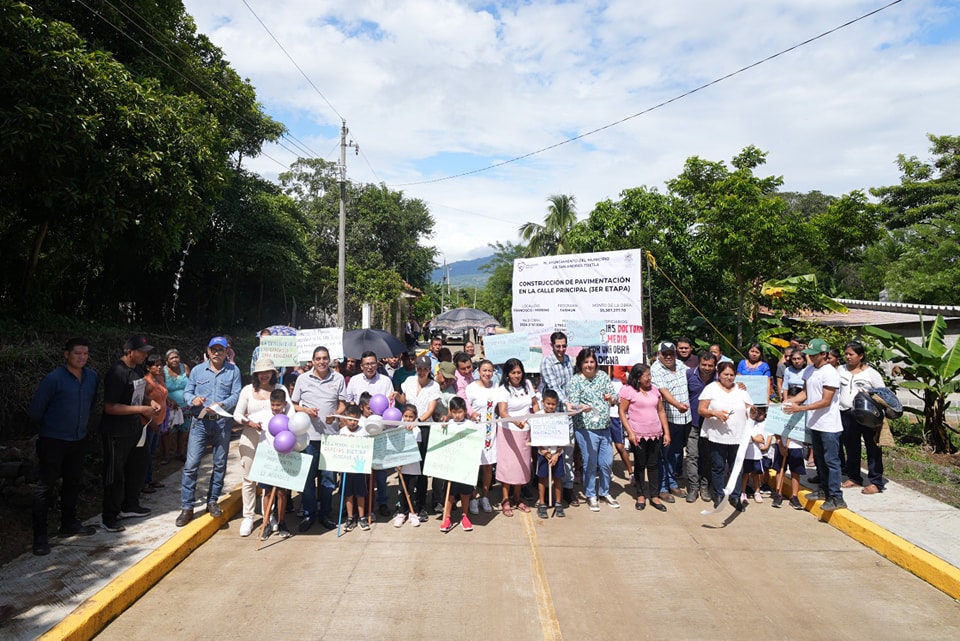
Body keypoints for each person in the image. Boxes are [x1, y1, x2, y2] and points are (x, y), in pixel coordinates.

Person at [28, 338, 100, 555]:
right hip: (53, 440)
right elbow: (35, 411)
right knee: (45, 486)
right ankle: (40, 537)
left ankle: (68, 524)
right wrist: (53, 426)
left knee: (72, 482)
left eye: (85, 353)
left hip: (78, 439)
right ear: (66, 354)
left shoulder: (91, 377)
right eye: (77, 353)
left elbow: (91, 403)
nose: (82, 357)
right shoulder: (54, 379)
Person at [176, 336, 242, 527]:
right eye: (214, 349)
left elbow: (236, 394)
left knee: (220, 464)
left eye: (221, 350)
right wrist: (193, 400)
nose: (216, 353)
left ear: (226, 352)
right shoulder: (197, 370)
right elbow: (187, 392)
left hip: (222, 423)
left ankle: (212, 501)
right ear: (208, 351)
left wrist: (223, 404)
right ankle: (187, 507)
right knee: (191, 464)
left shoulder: (233, 371)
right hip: (200, 423)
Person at [101, 334, 159, 533]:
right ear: (129, 352)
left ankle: (130, 505)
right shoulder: (117, 373)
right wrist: (141, 410)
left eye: (146, 352)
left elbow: (137, 393)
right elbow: (110, 407)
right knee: (115, 474)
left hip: (135, 429)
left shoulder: (136, 370)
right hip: (117, 432)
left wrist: (148, 402)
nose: (145, 356)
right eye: (141, 352)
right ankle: (109, 516)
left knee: (138, 466)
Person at [785, 338, 846, 511]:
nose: (810, 358)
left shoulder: (830, 373)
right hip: (815, 423)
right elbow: (805, 392)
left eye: (814, 355)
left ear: (823, 354)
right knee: (819, 459)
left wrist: (801, 408)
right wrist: (789, 403)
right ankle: (823, 490)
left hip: (828, 425)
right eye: (808, 355)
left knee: (831, 461)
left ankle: (836, 496)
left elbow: (826, 401)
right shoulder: (809, 370)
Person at [291, 346, 347, 532]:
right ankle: (309, 514)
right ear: (313, 361)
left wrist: (336, 414)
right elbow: (294, 404)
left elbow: (342, 404)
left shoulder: (338, 378)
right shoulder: (302, 379)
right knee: (307, 479)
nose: (322, 361)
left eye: (325, 358)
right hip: (308, 438)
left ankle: (325, 514)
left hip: (330, 437)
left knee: (328, 479)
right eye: (318, 358)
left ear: (329, 359)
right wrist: (306, 410)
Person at [234, 357, 288, 537]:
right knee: (249, 478)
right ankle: (248, 516)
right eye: (261, 372)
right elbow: (237, 414)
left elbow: (290, 413)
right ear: (255, 374)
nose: (264, 375)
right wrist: (248, 422)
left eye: (268, 371)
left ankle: (269, 515)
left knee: (270, 480)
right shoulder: (248, 390)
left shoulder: (281, 389)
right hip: (250, 438)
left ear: (273, 373)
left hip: (274, 443)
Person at [346, 351, 397, 517]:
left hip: (380, 431)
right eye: (366, 364)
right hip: (359, 431)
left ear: (377, 364)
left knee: (381, 472)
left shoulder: (385, 381)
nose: (370, 366)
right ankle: (363, 506)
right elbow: (349, 404)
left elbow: (390, 407)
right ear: (361, 366)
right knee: (361, 470)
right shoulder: (354, 381)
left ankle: (382, 502)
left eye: (372, 363)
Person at [699, 361, 755, 512]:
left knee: (736, 467)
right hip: (717, 436)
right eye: (726, 374)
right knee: (718, 466)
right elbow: (701, 410)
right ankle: (718, 494)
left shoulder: (741, 390)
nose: (729, 378)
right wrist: (714, 413)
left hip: (738, 436)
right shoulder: (710, 389)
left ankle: (735, 495)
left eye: (732, 375)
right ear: (719, 374)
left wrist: (755, 412)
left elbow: (750, 409)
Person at [567, 347, 618, 512]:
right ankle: (590, 494)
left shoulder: (603, 376)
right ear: (580, 364)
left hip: (605, 427)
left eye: (592, 362)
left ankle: (604, 492)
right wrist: (582, 407)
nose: (589, 365)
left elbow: (614, 397)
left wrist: (612, 398)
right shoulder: (575, 380)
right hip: (586, 429)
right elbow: (572, 404)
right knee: (590, 462)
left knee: (607, 462)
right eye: (586, 362)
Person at [619, 363, 669, 512]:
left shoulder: (654, 390)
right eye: (647, 375)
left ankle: (654, 495)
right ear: (638, 377)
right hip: (638, 435)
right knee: (640, 465)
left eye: (650, 375)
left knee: (653, 465)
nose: (649, 378)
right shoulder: (629, 391)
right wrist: (630, 432)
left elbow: (661, 411)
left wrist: (666, 432)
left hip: (655, 434)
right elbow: (622, 412)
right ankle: (640, 495)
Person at [839, 341, 886, 494]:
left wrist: (870, 394)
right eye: (846, 354)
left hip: (868, 416)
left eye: (851, 354)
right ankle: (854, 477)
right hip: (846, 413)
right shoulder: (840, 370)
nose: (847, 357)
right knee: (851, 446)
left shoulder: (871, 373)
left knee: (872, 447)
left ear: (860, 356)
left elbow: (883, 393)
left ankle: (876, 482)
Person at [496, 358, 540, 516]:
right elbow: (502, 412)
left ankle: (517, 497)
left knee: (522, 466)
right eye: (513, 373)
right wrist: (515, 422)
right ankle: (505, 499)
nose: (517, 376)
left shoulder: (528, 385)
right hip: (508, 430)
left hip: (525, 430)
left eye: (519, 372)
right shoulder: (502, 389)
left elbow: (535, 405)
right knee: (508, 466)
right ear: (507, 374)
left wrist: (536, 417)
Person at [399, 355, 442, 516]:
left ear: (429, 369)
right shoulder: (409, 381)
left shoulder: (434, 386)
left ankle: (422, 504)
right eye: (419, 368)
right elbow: (404, 400)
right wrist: (396, 396)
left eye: (425, 369)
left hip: (423, 428)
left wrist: (417, 421)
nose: (422, 371)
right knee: (405, 465)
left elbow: (430, 410)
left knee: (422, 468)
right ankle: (403, 504)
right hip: (407, 426)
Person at [650, 341, 690, 503]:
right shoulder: (656, 369)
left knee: (675, 453)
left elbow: (694, 375)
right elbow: (663, 392)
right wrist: (678, 405)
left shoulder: (680, 364)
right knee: (663, 455)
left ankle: (672, 482)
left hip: (683, 419)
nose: (668, 356)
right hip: (667, 419)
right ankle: (662, 487)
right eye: (664, 353)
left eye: (671, 353)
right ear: (659, 354)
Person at [257, 388, 295, 540]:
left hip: (284, 459)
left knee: (281, 492)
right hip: (267, 459)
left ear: (285, 404)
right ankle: (266, 523)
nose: (275, 408)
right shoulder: (264, 416)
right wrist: (251, 423)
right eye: (273, 405)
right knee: (267, 493)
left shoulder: (290, 419)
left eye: (278, 405)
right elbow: (244, 418)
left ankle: (281, 522)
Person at [466, 359, 499, 514]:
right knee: (473, 465)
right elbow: (466, 408)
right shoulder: (471, 388)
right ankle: (472, 498)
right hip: (474, 430)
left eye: (490, 371)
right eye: (484, 370)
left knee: (488, 466)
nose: (487, 373)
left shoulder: (497, 387)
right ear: (478, 372)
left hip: (491, 431)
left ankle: (485, 497)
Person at [440, 397, 475, 533]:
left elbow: (475, 442)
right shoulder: (448, 424)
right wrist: (442, 429)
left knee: (465, 492)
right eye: (454, 412)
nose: (457, 415)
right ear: (450, 412)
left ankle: (464, 516)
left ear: (465, 411)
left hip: (465, 465)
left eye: (460, 412)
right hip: (451, 466)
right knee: (450, 493)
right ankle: (447, 516)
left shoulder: (470, 425)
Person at [685, 352, 717, 502]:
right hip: (694, 424)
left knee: (708, 457)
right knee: (692, 456)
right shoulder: (689, 375)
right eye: (704, 365)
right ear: (698, 364)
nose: (707, 368)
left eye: (710, 365)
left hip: (712, 426)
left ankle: (705, 486)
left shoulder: (719, 378)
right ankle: (693, 487)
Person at [339, 404, 371, 532]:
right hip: (346, 468)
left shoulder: (363, 431)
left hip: (359, 468)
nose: (352, 422)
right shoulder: (342, 432)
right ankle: (350, 517)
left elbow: (367, 448)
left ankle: (362, 517)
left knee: (360, 493)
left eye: (355, 419)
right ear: (345, 419)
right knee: (348, 494)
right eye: (350, 419)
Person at [534, 390, 566, 518]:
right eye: (548, 403)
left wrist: (557, 454)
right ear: (543, 402)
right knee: (542, 478)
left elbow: (564, 438)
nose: (550, 406)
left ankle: (558, 502)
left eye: (553, 404)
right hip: (544, 454)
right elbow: (535, 436)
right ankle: (542, 503)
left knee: (557, 478)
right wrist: (543, 451)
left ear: (557, 404)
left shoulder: (560, 417)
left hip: (557, 453)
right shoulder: (537, 416)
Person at [141, 354, 168, 495]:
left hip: (159, 420)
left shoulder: (160, 379)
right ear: (148, 367)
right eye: (155, 365)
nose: (159, 367)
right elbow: (142, 402)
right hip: (149, 423)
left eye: (160, 364)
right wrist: (151, 422)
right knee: (145, 454)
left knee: (152, 453)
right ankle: (143, 482)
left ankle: (150, 479)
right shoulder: (146, 382)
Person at [392, 404, 423, 528]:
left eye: (411, 417)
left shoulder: (417, 430)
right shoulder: (399, 428)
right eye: (405, 416)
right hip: (401, 467)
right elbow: (395, 446)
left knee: (412, 490)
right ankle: (401, 513)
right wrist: (398, 462)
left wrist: (404, 460)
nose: (408, 419)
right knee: (401, 490)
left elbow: (416, 448)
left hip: (413, 466)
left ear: (415, 417)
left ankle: (413, 513)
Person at [162, 349, 191, 464]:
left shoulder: (185, 367)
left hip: (186, 406)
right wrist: (167, 399)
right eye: (171, 358)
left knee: (184, 430)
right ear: (166, 361)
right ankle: (166, 455)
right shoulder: (162, 372)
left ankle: (180, 453)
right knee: (168, 431)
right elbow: (158, 388)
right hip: (170, 407)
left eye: (176, 357)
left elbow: (193, 382)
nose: (175, 360)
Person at [741, 407, 773, 504]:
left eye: (760, 413)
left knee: (756, 474)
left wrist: (753, 439)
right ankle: (743, 492)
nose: (757, 415)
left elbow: (761, 439)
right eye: (755, 413)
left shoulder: (760, 426)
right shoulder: (747, 425)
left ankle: (757, 492)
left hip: (757, 455)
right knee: (745, 474)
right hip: (747, 455)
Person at [608, 366, 635, 482]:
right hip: (602, 417)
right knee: (605, 447)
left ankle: (631, 472)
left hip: (615, 416)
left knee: (620, 446)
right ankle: (607, 471)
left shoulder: (619, 383)